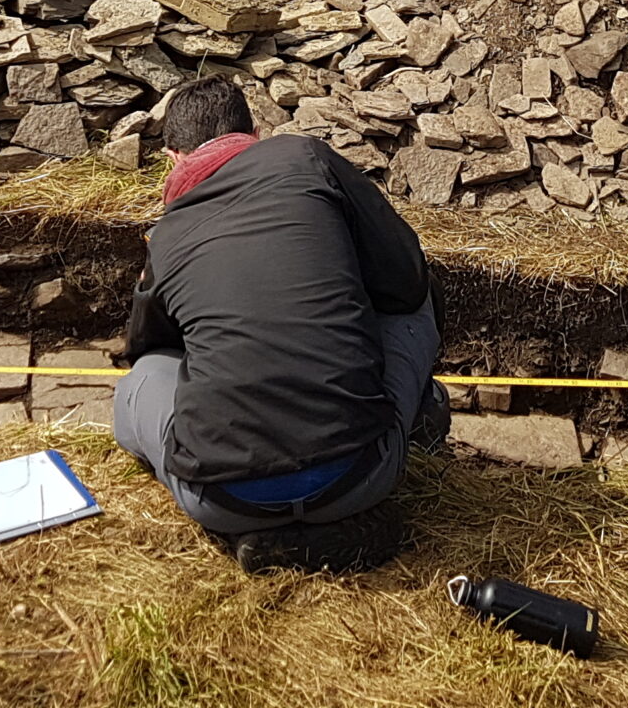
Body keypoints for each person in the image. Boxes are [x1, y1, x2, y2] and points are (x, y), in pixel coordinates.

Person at [113, 74, 445, 574]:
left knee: (138, 384)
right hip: (361, 474)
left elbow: (148, 346)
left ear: (173, 160)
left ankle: (267, 532)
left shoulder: (167, 234)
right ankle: (417, 419)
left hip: (222, 500)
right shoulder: (304, 159)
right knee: (415, 309)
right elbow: (406, 278)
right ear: (252, 135)